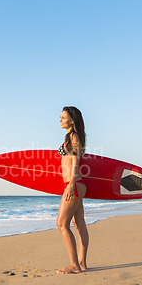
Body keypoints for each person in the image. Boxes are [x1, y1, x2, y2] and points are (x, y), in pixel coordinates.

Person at [56, 106, 89, 274]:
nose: (60, 120)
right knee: (79, 223)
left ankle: (74, 264)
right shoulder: (70, 136)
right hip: (75, 183)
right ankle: (82, 263)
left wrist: (70, 184)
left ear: (71, 120)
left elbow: (76, 162)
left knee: (62, 224)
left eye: (63, 117)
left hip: (73, 183)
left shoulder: (73, 136)